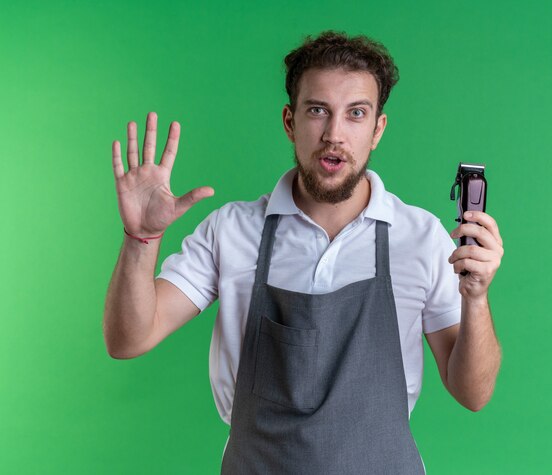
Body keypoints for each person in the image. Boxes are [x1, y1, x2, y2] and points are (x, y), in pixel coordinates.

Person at [104, 31, 503, 474]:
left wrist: (477, 298)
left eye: (356, 113)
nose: (334, 134)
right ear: (290, 122)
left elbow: (473, 393)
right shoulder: (232, 230)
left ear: (378, 129)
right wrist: (140, 238)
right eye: (318, 111)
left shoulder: (421, 237)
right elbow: (128, 339)